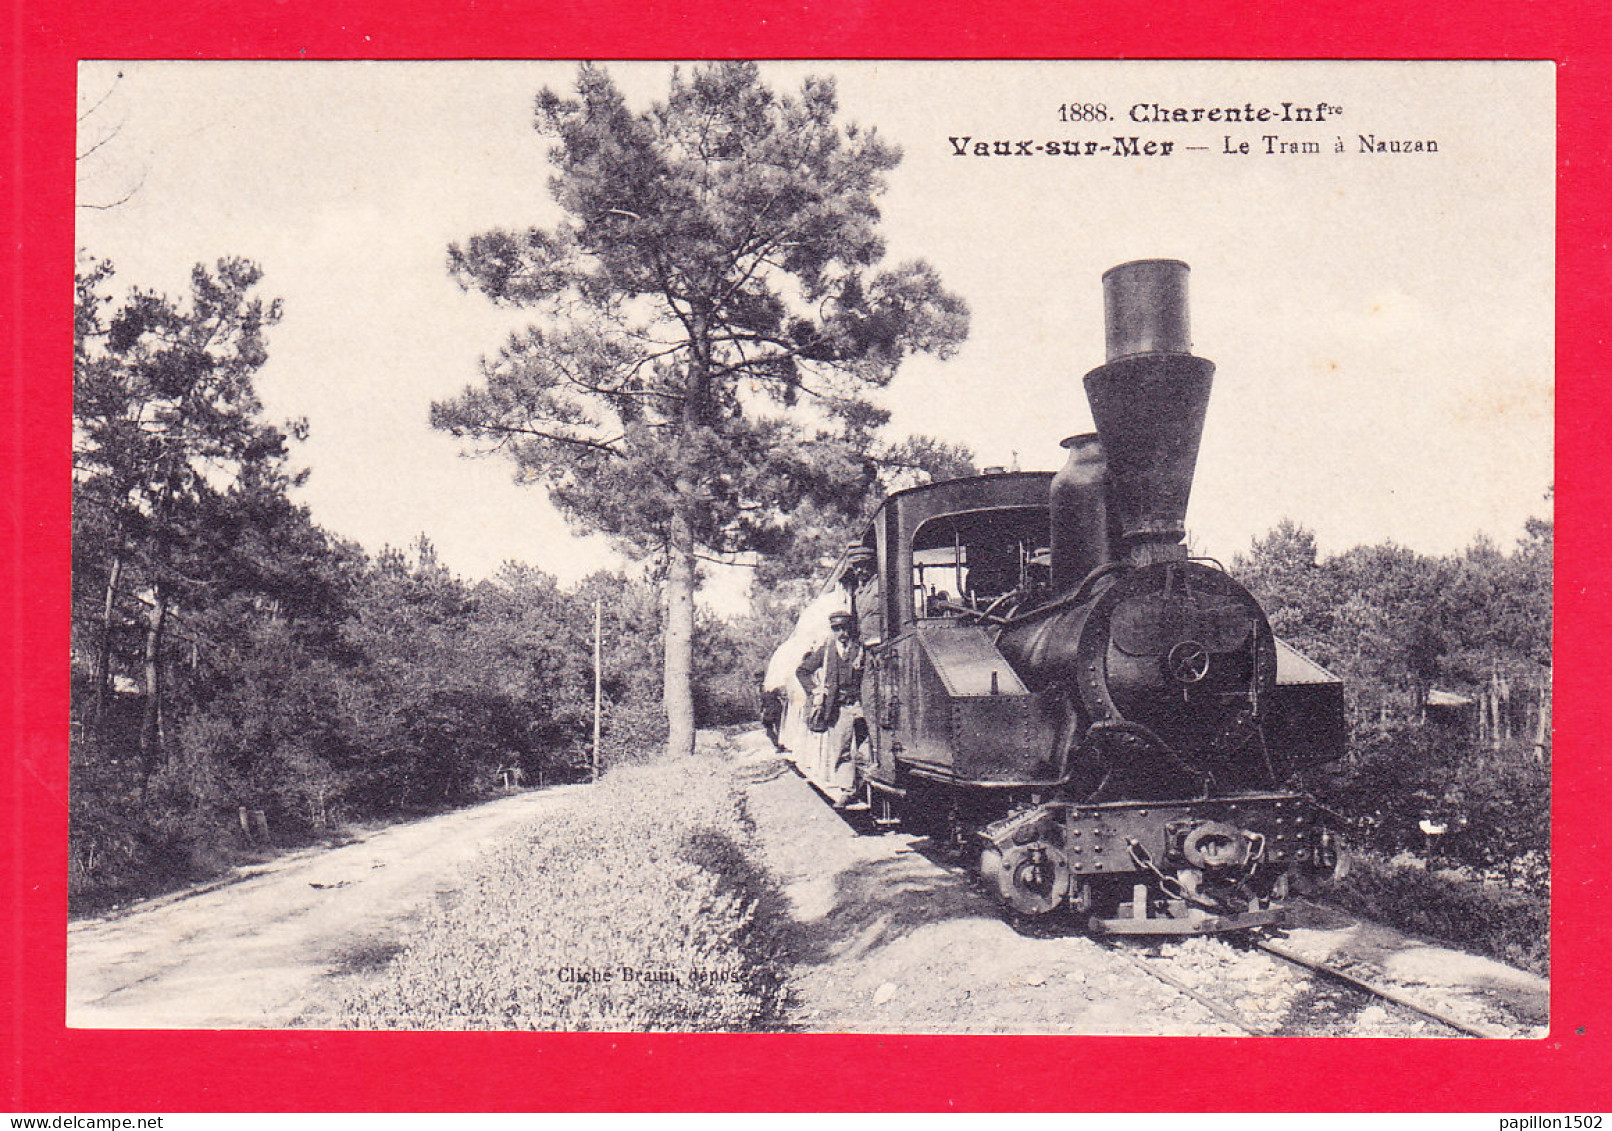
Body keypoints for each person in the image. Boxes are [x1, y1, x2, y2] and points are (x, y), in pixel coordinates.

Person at [796, 610, 864, 805]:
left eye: (845, 628)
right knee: (841, 750)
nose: (842, 633)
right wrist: (816, 691)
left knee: (866, 749)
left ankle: (861, 786)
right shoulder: (826, 651)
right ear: (832, 630)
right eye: (837, 629)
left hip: (860, 705)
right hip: (839, 708)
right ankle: (847, 791)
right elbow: (802, 671)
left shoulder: (859, 649)